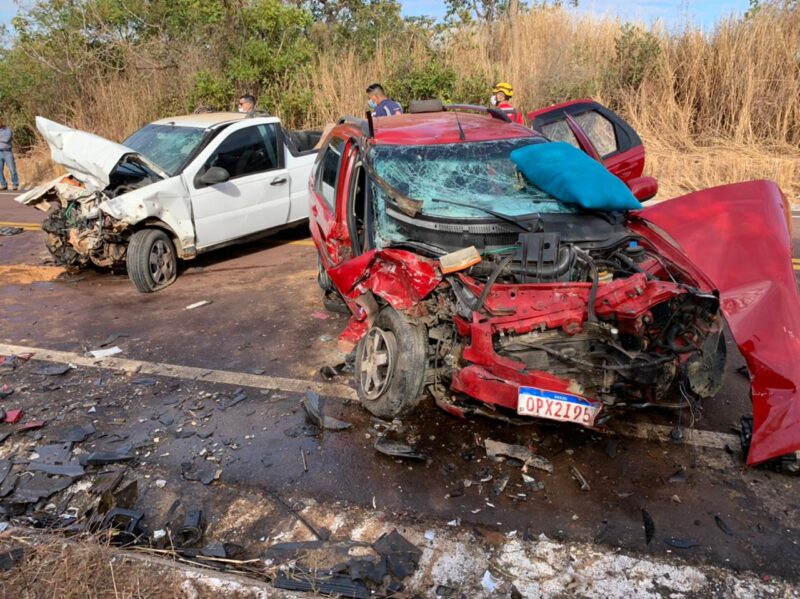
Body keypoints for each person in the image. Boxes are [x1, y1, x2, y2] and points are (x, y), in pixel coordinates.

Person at [0, 115, 19, 191]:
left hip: (7, 152)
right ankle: (3, 184)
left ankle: (15, 184)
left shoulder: (8, 130)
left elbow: (6, 139)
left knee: (12, 169)